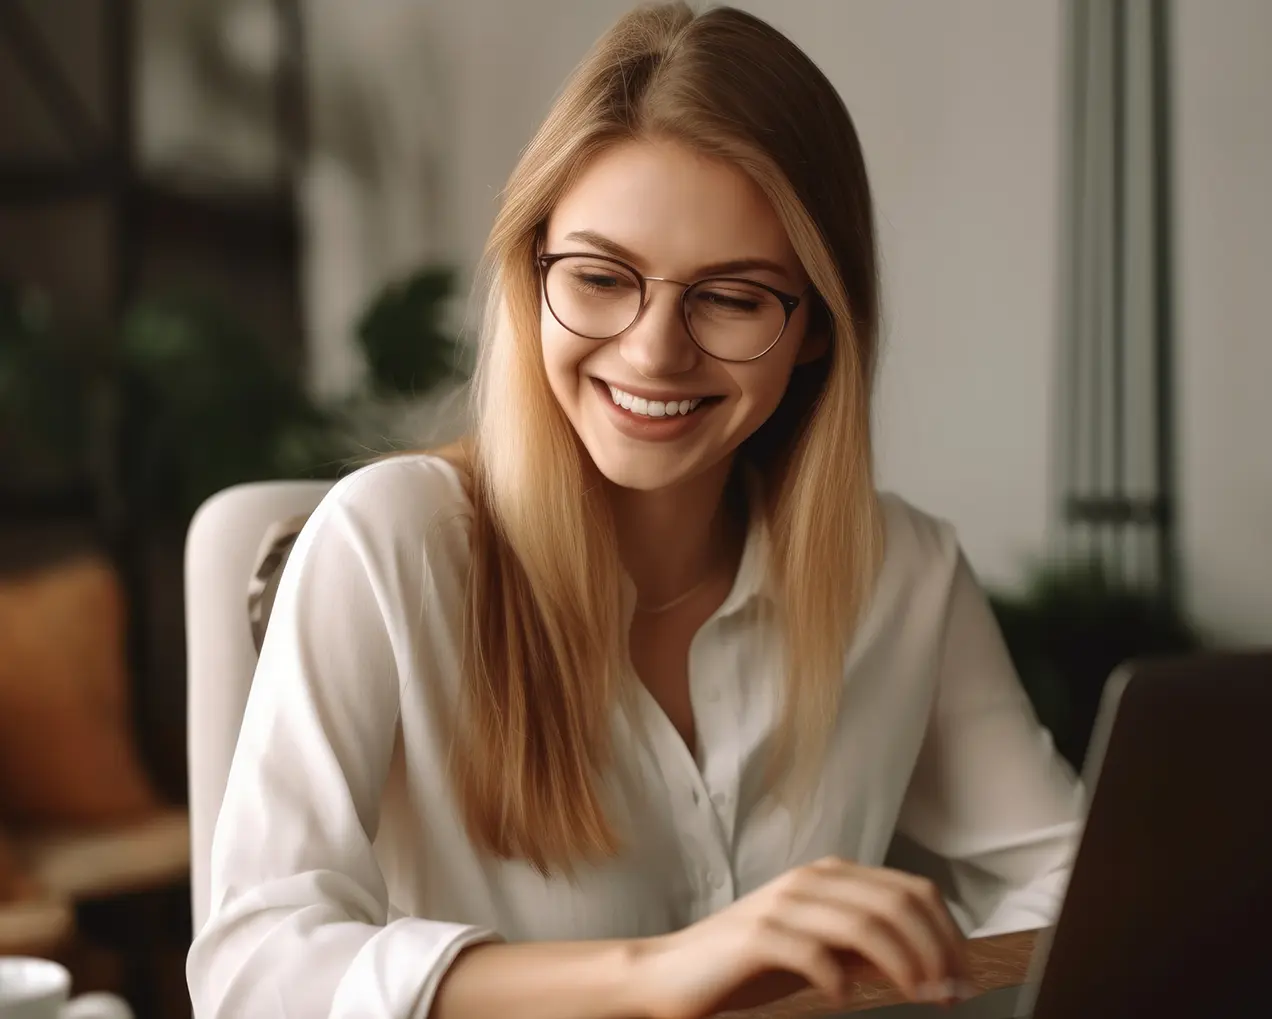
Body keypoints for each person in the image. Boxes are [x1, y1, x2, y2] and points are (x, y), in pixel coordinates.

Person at [186, 4, 1082, 1017]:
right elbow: (253, 969)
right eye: (602, 277)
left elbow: (1086, 895)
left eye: (733, 297)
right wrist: (653, 975)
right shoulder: (388, 542)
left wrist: (879, 978)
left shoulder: (901, 573)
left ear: (818, 330)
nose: (655, 351)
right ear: (533, 277)